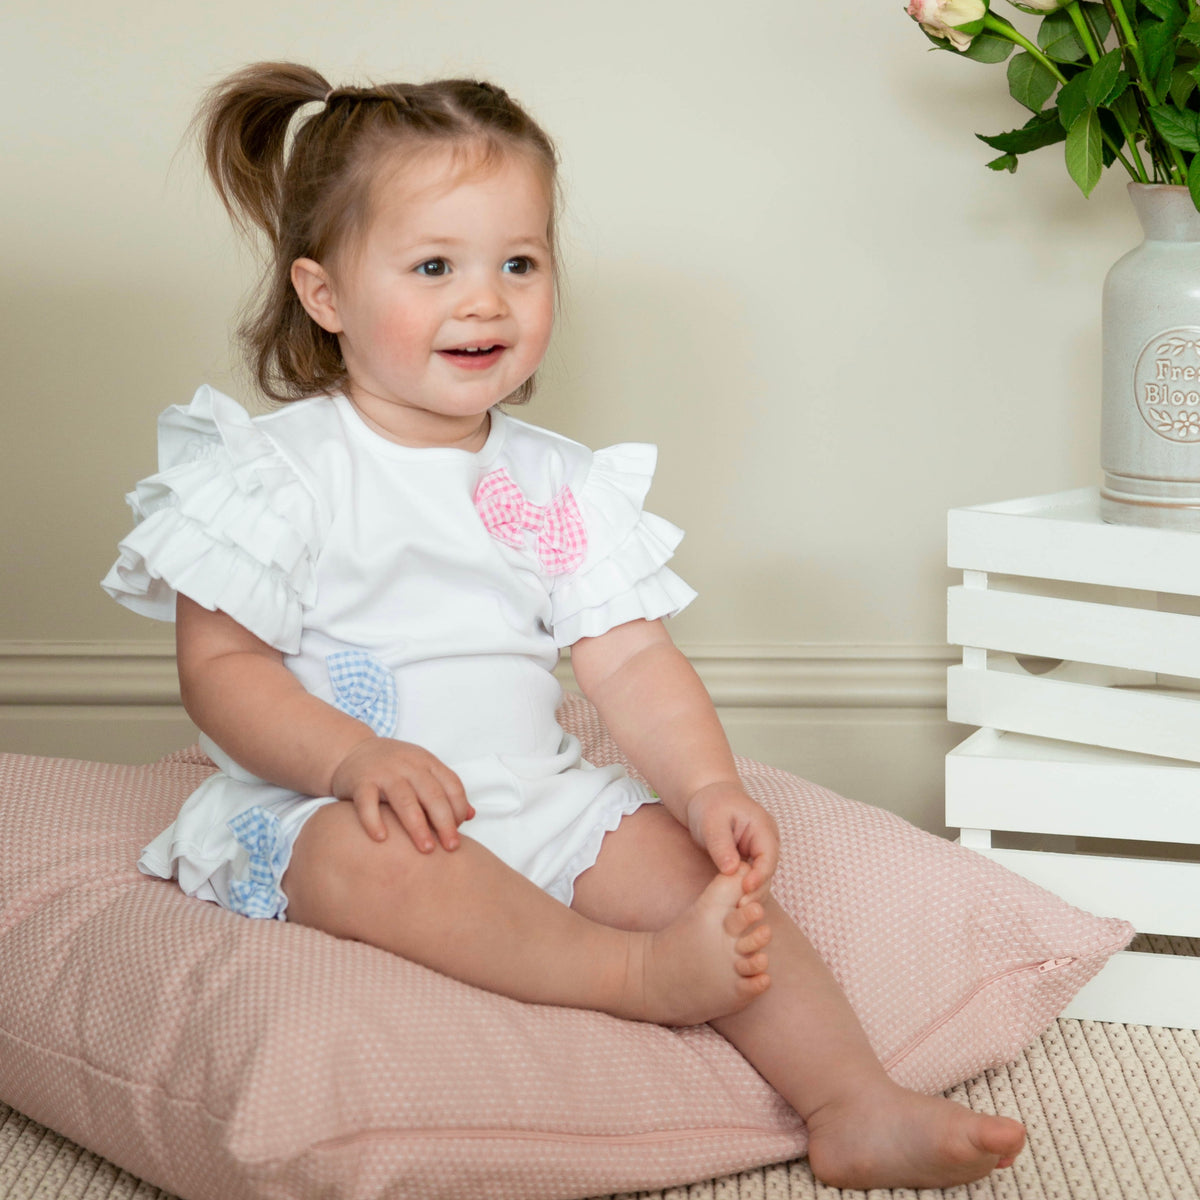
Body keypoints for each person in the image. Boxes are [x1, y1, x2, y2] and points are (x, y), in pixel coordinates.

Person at [102, 61, 1026, 1189]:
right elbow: (223, 667)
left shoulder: (558, 483)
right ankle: (631, 978)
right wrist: (353, 760)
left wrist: (707, 789)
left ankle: (855, 1098)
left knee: (709, 890)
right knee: (384, 867)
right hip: (332, 799)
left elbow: (631, 659)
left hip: (537, 791)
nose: (485, 299)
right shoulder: (279, 474)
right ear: (325, 293)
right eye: (435, 266)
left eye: (520, 263)